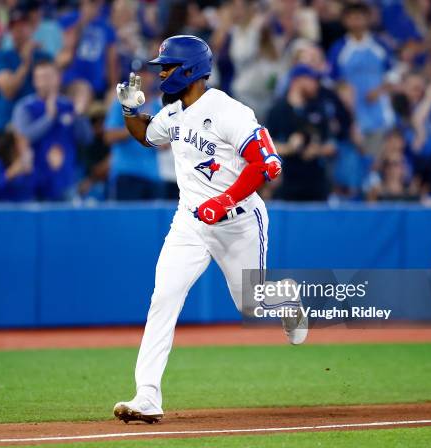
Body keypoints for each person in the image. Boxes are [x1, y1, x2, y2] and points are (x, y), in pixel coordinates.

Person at [112, 35, 307, 424]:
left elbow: (268, 164)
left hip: (237, 224)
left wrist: (225, 200)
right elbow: (147, 136)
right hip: (190, 222)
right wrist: (130, 111)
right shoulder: (173, 114)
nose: (161, 72)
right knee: (163, 297)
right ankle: (147, 395)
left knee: (250, 305)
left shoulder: (228, 111)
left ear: (189, 70)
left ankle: (286, 298)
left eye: (166, 66)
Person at [328, 2, 395, 158]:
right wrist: (343, 91)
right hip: (351, 115)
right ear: (345, 21)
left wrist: (379, 91)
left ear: (367, 19)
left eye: (359, 17)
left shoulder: (380, 45)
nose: (356, 21)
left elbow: (394, 74)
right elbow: (331, 80)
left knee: (377, 159)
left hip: (379, 112)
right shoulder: (338, 48)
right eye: (351, 18)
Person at [12, 60, 85, 201]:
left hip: (65, 182)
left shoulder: (68, 106)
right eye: (41, 77)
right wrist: (48, 118)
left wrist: (78, 116)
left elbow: (85, 138)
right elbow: (24, 137)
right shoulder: (25, 107)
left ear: (58, 78)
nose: (45, 82)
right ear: (34, 81)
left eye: (49, 77)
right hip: (35, 182)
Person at [266, 64, 336, 201]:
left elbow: (332, 146)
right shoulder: (278, 110)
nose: (316, 85)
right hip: (288, 183)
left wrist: (317, 150)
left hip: (316, 183)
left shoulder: (318, 108)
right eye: (312, 80)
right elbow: (264, 147)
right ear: (297, 81)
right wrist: (289, 148)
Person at [104, 64, 162, 200]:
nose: (144, 78)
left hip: (152, 176)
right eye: (139, 74)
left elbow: (164, 145)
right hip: (126, 173)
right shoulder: (122, 103)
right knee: (126, 220)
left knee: (151, 221)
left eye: (147, 74)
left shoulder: (157, 106)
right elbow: (109, 136)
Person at [0, 6, 52, 131]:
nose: (19, 30)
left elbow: (53, 89)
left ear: (32, 27)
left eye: (23, 25)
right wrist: (25, 63)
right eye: (14, 27)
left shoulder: (44, 56)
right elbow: (8, 91)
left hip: (39, 119)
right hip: (10, 123)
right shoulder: (2, 56)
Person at [57, 0, 119, 98]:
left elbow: (112, 61)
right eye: (91, 3)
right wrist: (82, 22)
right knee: (83, 90)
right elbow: (63, 52)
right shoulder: (68, 21)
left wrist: (113, 86)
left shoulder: (107, 27)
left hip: (96, 84)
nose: (95, 6)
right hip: (72, 80)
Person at [0, 129, 35, 201]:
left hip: (22, 209)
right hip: (0, 209)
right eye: (20, 142)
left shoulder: (28, 167)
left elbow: (36, 194)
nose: (26, 145)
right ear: (12, 148)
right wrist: (11, 173)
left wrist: (29, 173)